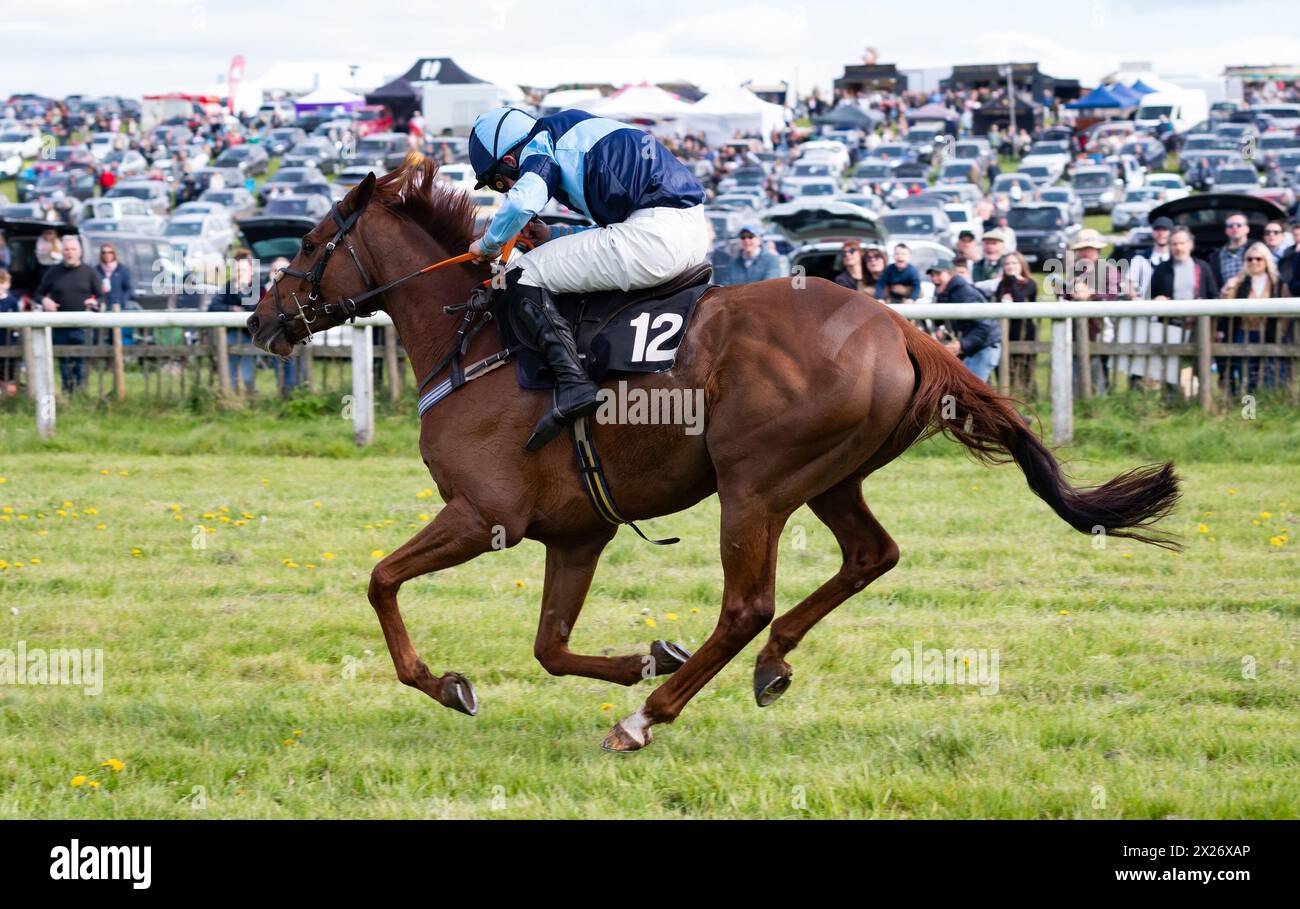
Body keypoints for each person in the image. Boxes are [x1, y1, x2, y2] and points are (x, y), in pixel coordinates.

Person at [465, 107, 709, 451]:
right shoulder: (573, 131)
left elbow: (521, 205)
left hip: (656, 237)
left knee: (522, 273)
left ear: (508, 157)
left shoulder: (539, 144)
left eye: (498, 181)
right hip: (687, 233)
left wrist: (488, 243)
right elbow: (611, 229)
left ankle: (573, 384)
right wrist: (555, 233)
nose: (503, 189)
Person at [34, 235, 99, 396]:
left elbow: (101, 295)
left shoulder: (89, 271)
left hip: (83, 326)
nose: (70, 253)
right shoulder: (53, 272)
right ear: (62, 251)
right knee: (64, 362)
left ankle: (82, 395)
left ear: (80, 251)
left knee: (81, 361)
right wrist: (45, 301)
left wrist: (93, 302)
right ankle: (66, 394)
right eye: (67, 249)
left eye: (73, 249)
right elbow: (38, 294)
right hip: (60, 325)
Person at [1219, 241, 1287, 394]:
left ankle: (1268, 408)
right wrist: (1227, 289)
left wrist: (1281, 332)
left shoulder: (1277, 283)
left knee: (1270, 374)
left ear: (1266, 260)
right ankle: (1249, 411)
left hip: (1269, 333)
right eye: (1249, 259)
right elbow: (1226, 305)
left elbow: (1285, 314)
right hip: (1245, 332)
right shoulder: (1240, 282)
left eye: (1258, 259)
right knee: (1247, 375)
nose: (1254, 262)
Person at [928, 257, 1001, 382]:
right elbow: (939, 319)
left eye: (938, 274)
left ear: (950, 274)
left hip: (985, 348)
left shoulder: (964, 292)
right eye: (932, 275)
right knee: (969, 391)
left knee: (971, 393)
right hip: (975, 348)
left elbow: (984, 325)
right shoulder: (946, 292)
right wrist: (940, 328)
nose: (934, 278)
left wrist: (962, 344)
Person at [212, 250, 260, 396]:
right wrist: (231, 308)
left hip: (251, 335)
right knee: (230, 368)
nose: (238, 273)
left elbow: (253, 308)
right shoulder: (228, 286)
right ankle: (231, 397)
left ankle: (251, 396)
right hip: (232, 333)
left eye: (242, 270)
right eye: (236, 270)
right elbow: (213, 306)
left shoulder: (259, 286)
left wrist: (242, 291)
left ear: (251, 270)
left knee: (248, 373)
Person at [993, 251, 1038, 396]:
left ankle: (1027, 394)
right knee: (1006, 364)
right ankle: (1009, 393)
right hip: (1006, 330)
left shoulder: (1029, 283)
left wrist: (1012, 280)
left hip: (1024, 331)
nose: (1010, 266)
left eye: (1014, 263)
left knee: (1025, 364)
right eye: (1007, 264)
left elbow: (1020, 300)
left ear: (1021, 265)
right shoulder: (1002, 284)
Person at [715, 224, 783, 286]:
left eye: (750, 236)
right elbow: (725, 286)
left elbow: (770, 286)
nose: (746, 240)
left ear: (759, 239)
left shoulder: (771, 261)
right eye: (743, 237)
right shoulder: (733, 263)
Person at [1211, 212, 1251, 287]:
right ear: (1226, 231)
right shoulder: (1216, 256)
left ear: (1247, 229)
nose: (1234, 228)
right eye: (1230, 226)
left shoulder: (1257, 249)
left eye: (1239, 225)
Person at [0, 268, 19, 394]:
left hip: (8, 342)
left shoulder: (12, 301)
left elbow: (17, 322)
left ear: (7, 284)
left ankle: (10, 400)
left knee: (9, 373)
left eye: (1, 282)